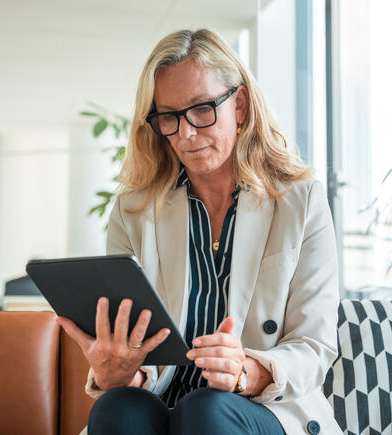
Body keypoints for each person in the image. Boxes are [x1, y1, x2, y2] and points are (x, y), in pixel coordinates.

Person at [57, 28, 343, 435]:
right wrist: (120, 373)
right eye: (169, 117)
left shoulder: (302, 202)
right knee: (116, 408)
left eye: (202, 109)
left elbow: (314, 348)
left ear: (239, 105)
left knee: (206, 411)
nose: (185, 133)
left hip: (261, 408)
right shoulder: (133, 212)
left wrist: (248, 371)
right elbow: (142, 360)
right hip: (164, 403)